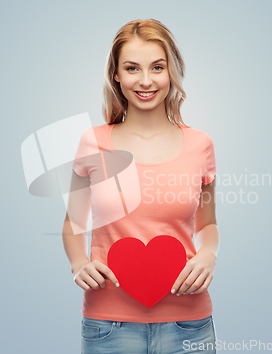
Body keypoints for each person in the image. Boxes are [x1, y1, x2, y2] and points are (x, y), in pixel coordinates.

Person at [62, 18, 219, 354]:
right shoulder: (93, 142)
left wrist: (208, 253)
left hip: (189, 323)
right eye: (132, 68)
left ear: (171, 72)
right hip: (108, 326)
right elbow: (74, 222)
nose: (145, 81)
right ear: (116, 74)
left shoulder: (200, 144)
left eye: (157, 67)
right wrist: (78, 264)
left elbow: (208, 224)